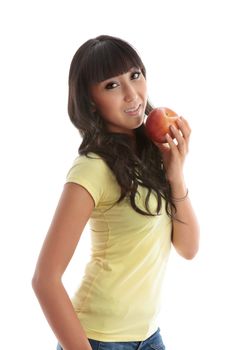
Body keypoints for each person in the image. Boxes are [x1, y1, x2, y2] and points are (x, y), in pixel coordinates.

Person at [32, 35, 200, 350]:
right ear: (90, 100)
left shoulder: (153, 153)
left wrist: (175, 173)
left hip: (150, 336)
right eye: (112, 85)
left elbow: (188, 248)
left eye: (135, 75)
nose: (132, 94)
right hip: (99, 340)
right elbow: (45, 279)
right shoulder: (93, 168)